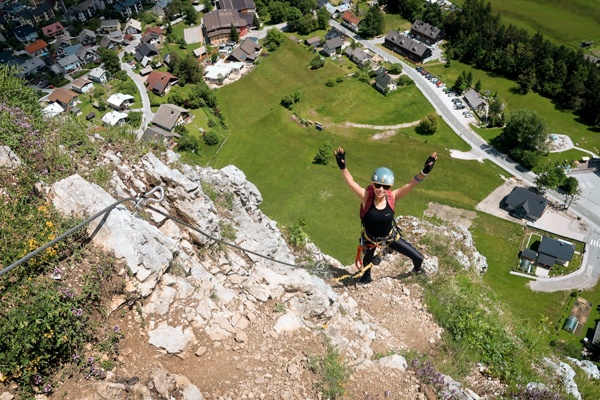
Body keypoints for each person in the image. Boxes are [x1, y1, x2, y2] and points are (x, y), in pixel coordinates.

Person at [334, 147, 437, 285]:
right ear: (373, 184)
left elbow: (410, 184)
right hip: (370, 240)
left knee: (418, 258)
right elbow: (351, 183)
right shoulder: (366, 198)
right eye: (377, 185)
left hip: (390, 237)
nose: (381, 189)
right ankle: (366, 276)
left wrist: (424, 172)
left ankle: (417, 269)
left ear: (389, 187)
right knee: (366, 266)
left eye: (385, 187)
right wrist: (343, 167)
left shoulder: (392, 197)